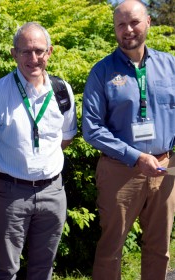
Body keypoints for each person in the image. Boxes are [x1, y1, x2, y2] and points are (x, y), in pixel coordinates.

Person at [82, 1, 175, 279]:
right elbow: (92, 128)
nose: (128, 29)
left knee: (160, 246)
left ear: (148, 21)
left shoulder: (170, 65)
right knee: (112, 247)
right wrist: (136, 157)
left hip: (165, 168)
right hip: (120, 171)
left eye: (134, 22)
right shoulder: (102, 72)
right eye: (121, 24)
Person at [0, 22, 77, 280]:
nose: (33, 58)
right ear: (13, 54)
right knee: (5, 268)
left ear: (50, 52)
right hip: (11, 194)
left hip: (53, 191)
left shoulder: (62, 91)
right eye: (25, 51)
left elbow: (65, 137)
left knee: (44, 266)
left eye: (39, 51)